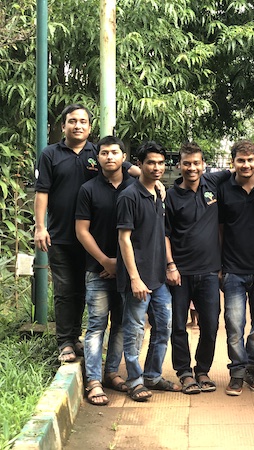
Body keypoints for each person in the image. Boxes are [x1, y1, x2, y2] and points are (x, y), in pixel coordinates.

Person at [34, 104, 140, 363]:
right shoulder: (50, 154)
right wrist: (40, 227)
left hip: (94, 239)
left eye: (83, 121)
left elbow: (127, 167)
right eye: (72, 121)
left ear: (90, 127)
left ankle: (78, 337)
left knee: (86, 289)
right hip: (61, 235)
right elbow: (42, 192)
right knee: (65, 289)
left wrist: (154, 179)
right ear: (63, 126)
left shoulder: (99, 152)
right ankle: (66, 342)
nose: (78, 125)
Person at [165, 142, 232, 394]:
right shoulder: (170, 196)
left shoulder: (212, 184)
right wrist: (170, 265)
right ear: (179, 165)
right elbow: (166, 235)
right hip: (180, 272)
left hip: (209, 272)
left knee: (210, 324)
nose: (192, 168)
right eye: (186, 163)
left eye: (196, 163)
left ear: (204, 165)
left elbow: (246, 168)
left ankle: (202, 370)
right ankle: (184, 372)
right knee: (179, 325)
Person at [117, 141, 180, 402]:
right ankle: (135, 380)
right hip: (138, 280)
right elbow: (124, 239)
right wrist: (134, 278)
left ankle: (153, 375)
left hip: (158, 279)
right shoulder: (129, 196)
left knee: (164, 327)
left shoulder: (159, 194)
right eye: (151, 162)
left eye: (161, 163)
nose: (156, 167)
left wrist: (168, 266)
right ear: (139, 164)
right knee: (135, 331)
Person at [75, 135, 134, 406]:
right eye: (104, 153)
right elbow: (82, 231)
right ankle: (94, 380)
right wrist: (105, 261)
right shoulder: (88, 189)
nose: (109, 157)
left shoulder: (136, 188)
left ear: (124, 157)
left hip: (128, 272)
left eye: (114, 152)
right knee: (97, 326)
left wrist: (120, 265)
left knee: (121, 325)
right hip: (96, 271)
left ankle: (112, 373)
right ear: (97, 158)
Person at [218, 140, 254, 396]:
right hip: (233, 269)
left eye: (250, 160)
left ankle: (253, 369)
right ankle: (237, 372)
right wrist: (220, 265)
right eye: (241, 160)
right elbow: (219, 229)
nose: (246, 165)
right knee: (234, 323)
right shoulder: (224, 188)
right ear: (233, 162)